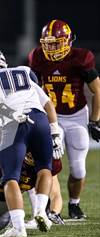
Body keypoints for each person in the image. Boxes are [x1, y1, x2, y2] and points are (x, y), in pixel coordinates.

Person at [0, 46, 63, 237]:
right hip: (40, 119)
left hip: (15, 122)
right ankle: (40, 213)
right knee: (44, 168)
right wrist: (54, 130)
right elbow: (47, 103)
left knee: (10, 176)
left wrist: (9, 113)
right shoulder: (24, 71)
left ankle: (19, 227)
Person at [28, 19, 100, 219]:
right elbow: (31, 89)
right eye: (48, 43)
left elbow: (97, 89)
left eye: (56, 43)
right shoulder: (37, 57)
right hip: (52, 117)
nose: (51, 48)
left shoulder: (81, 58)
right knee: (50, 163)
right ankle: (52, 207)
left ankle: (74, 204)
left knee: (78, 168)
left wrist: (95, 120)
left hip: (77, 116)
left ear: (67, 41)